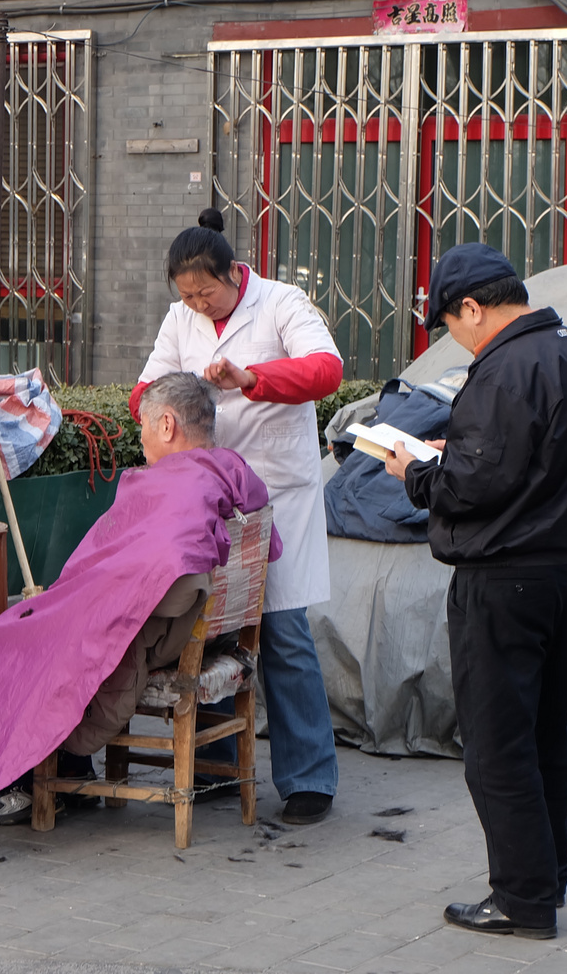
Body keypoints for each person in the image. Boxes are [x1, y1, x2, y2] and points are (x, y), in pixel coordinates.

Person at [385, 243, 567, 940]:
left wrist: (416, 472)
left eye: (452, 323)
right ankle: (548, 874)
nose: (456, 336)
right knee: (548, 732)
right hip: (566, 572)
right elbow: (532, 465)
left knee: (496, 745)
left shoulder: (502, 371)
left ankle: (521, 897)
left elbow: (474, 485)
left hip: (503, 579)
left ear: (474, 307)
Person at [0, 373, 279, 823]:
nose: (139, 439)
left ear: (167, 426)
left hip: (155, 625)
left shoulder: (173, 487)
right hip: (198, 630)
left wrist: (77, 601)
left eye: (143, 426)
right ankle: (70, 770)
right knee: (38, 625)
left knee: (0, 644)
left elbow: (146, 573)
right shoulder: (231, 471)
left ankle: (25, 783)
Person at [130, 211, 342, 826]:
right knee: (210, 625)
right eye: (187, 295)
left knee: (282, 631)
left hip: (275, 491)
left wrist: (249, 378)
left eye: (206, 292)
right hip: (202, 495)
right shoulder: (181, 318)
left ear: (234, 274)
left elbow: (325, 371)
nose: (197, 304)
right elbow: (145, 391)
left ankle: (309, 779)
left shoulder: (282, 303)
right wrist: (183, 393)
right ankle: (218, 767)